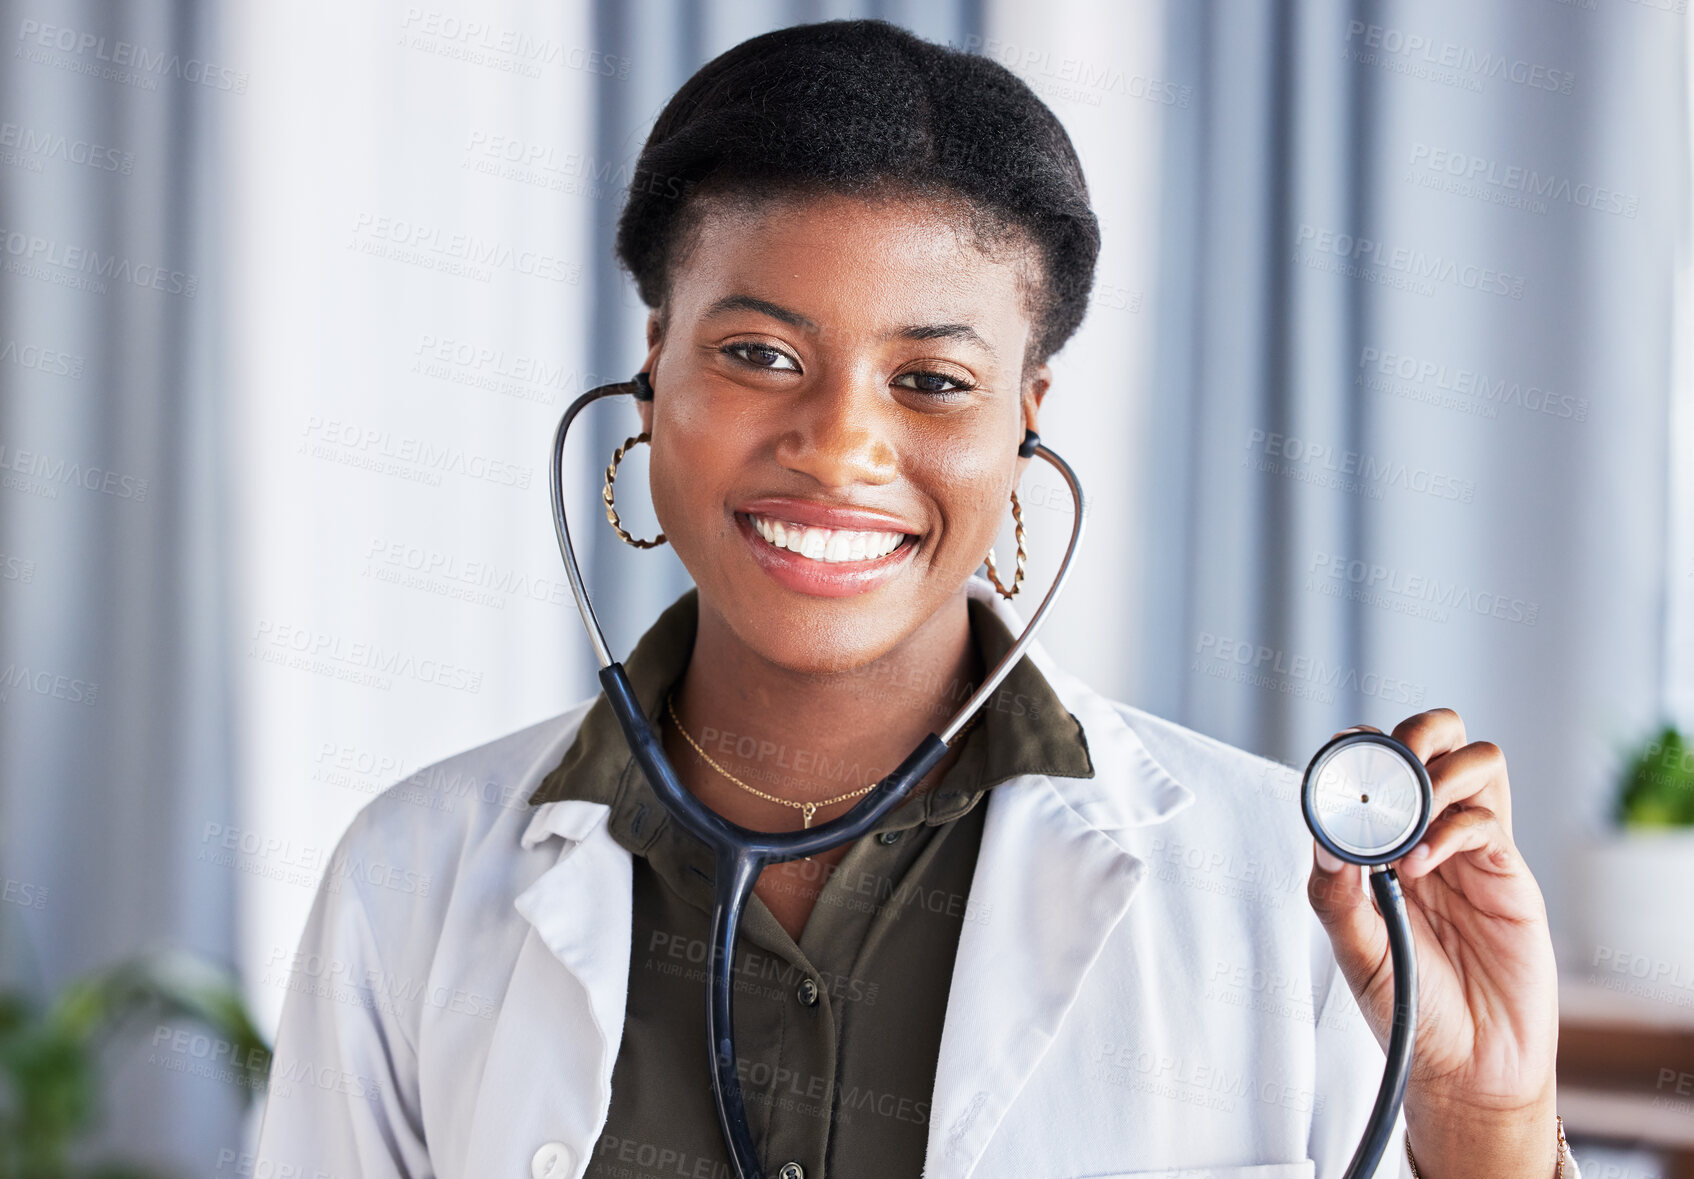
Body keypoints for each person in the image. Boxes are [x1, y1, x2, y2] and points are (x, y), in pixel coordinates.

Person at [254, 18, 1578, 1179]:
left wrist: (1487, 1122)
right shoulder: (415, 880)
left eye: (932, 380)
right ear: (655, 368)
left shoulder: (1279, 889)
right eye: (758, 353)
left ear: (1025, 420)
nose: (837, 449)